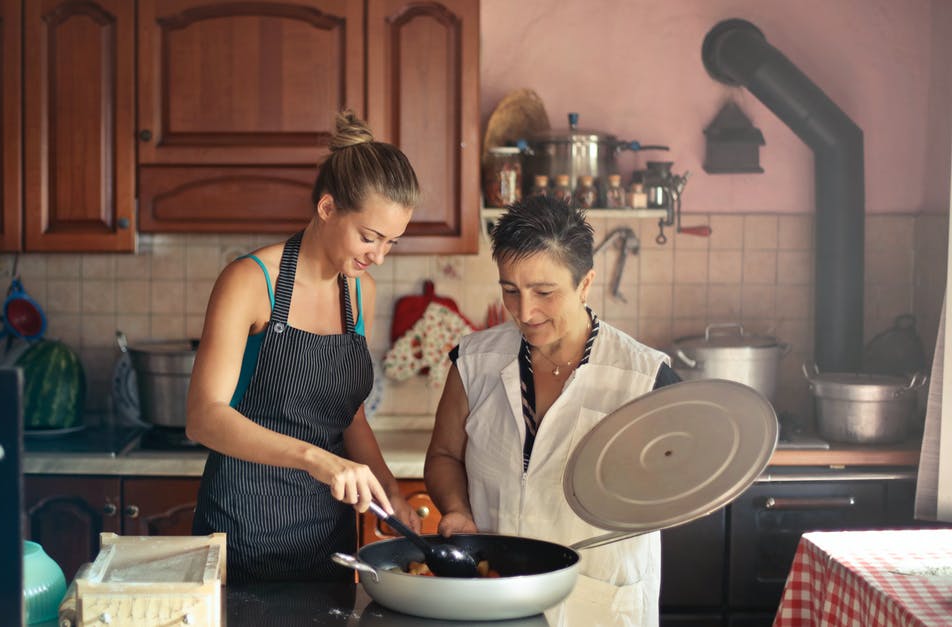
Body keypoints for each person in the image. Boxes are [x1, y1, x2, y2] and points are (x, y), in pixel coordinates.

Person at [186, 110, 422, 583]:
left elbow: (348, 415)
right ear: (328, 208)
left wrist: (390, 489)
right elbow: (204, 417)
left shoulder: (360, 292)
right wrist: (315, 458)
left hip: (329, 541)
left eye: (392, 242)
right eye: (369, 237)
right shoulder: (251, 281)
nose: (378, 256)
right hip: (242, 532)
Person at [424, 193, 681, 625]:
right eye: (510, 290)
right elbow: (445, 456)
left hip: (599, 603)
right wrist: (457, 509)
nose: (525, 311)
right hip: (496, 596)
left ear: (585, 283)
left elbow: (679, 486)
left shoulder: (644, 377)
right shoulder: (473, 362)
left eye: (544, 292)